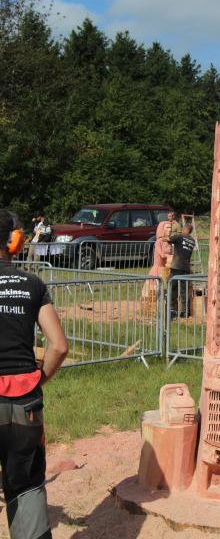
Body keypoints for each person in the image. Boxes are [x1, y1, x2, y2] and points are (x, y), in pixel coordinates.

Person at [0, 210, 68, 539]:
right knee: (25, 485)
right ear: (14, 241)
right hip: (23, 400)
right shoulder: (32, 284)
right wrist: (39, 378)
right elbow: (59, 346)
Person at [165, 224, 196, 319]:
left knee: (169, 286)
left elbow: (168, 239)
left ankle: (170, 310)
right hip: (186, 268)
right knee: (184, 291)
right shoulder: (192, 240)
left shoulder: (179, 236)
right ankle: (185, 313)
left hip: (177, 267)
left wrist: (163, 238)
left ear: (184, 229)